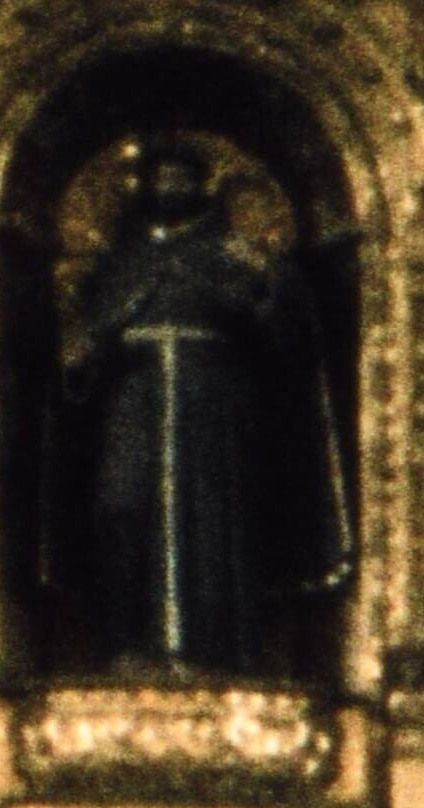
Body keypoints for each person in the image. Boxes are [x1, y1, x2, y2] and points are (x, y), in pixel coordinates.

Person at [49, 138, 348, 670]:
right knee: (121, 508)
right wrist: (82, 341)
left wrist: (266, 280)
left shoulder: (227, 253)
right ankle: (130, 644)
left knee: (212, 517)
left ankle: (213, 650)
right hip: (132, 395)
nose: (170, 186)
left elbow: (280, 333)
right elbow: (83, 345)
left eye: (182, 177)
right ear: (145, 185)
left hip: (212, 399)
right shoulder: (121, 258)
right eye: (161, 176)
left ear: (202, 187)